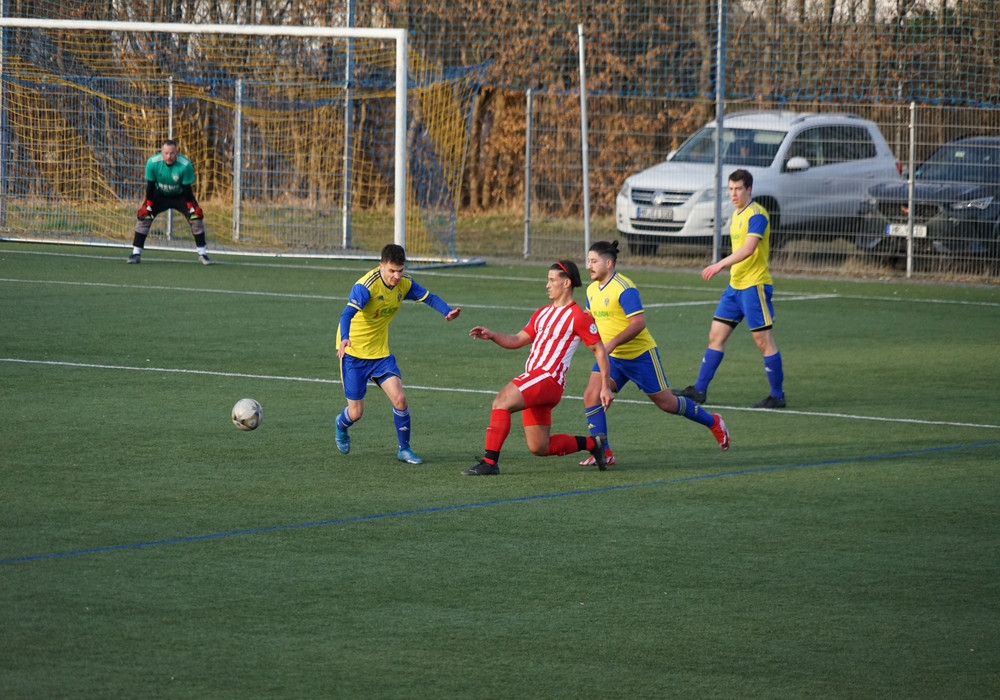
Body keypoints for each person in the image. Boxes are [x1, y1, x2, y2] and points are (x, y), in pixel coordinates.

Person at [580, 240, 730, 467]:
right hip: (613, 358)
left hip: (641, 356)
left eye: (593, 261)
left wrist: (609, 345)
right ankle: (603, 451)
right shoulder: (591, 290)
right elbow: (590, 320)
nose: (588, 266)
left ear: (608, 263)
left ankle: (713, 421)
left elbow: (638, 323)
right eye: (588, 261)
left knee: (667, 403)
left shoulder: (624, 288)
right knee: (591, 395)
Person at [462, 260, 614, 476]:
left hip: (548, 378)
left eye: (552, 280)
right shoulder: (542, 313)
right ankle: (593, 443)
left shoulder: (578, 316)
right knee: (539, 446)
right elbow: (518, 339)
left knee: (501, 401)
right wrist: (493, 335)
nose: (547, 285)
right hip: (537, 380)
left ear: (567, 283)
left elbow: (600, 350)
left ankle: (489, 462)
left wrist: (605, 386)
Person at [335, 244, 462, 464]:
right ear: (381, 266)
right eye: (392, 271)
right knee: (355, 413)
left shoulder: (404, 284)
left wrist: (447, 311)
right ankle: (340, 424)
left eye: (400, 270)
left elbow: (429, 297)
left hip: (380, 354)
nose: (396, 276)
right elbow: (346, 314)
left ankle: (404, 449)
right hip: (353, 352)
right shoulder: (365, 287)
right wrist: (345, 338)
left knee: (400, 399)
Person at [673, 169, 786, 409]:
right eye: (730, 189)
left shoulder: (757, 214)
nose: (733, 194)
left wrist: (719, 264)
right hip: (735, 287)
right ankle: (699, 390)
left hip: (754, 286)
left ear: (749, 189)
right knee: (715, 336)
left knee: (763, 340)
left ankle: (777, 396)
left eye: (738, 189)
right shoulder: (736, 214)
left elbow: (749, 248)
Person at [128, 139, 212, 265]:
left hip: (180, 195)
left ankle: (202, 254)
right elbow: (150, 185)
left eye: (172, 153)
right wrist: (149, 204)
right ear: (161, 152)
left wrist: (191, 207)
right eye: (166, 153)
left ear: (177, 152)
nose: (169, 156)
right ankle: (136, 254)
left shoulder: (185, 165)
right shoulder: (152, 163)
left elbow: (187, 188)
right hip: (159, 194)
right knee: (144, 216)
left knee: (196, 218)